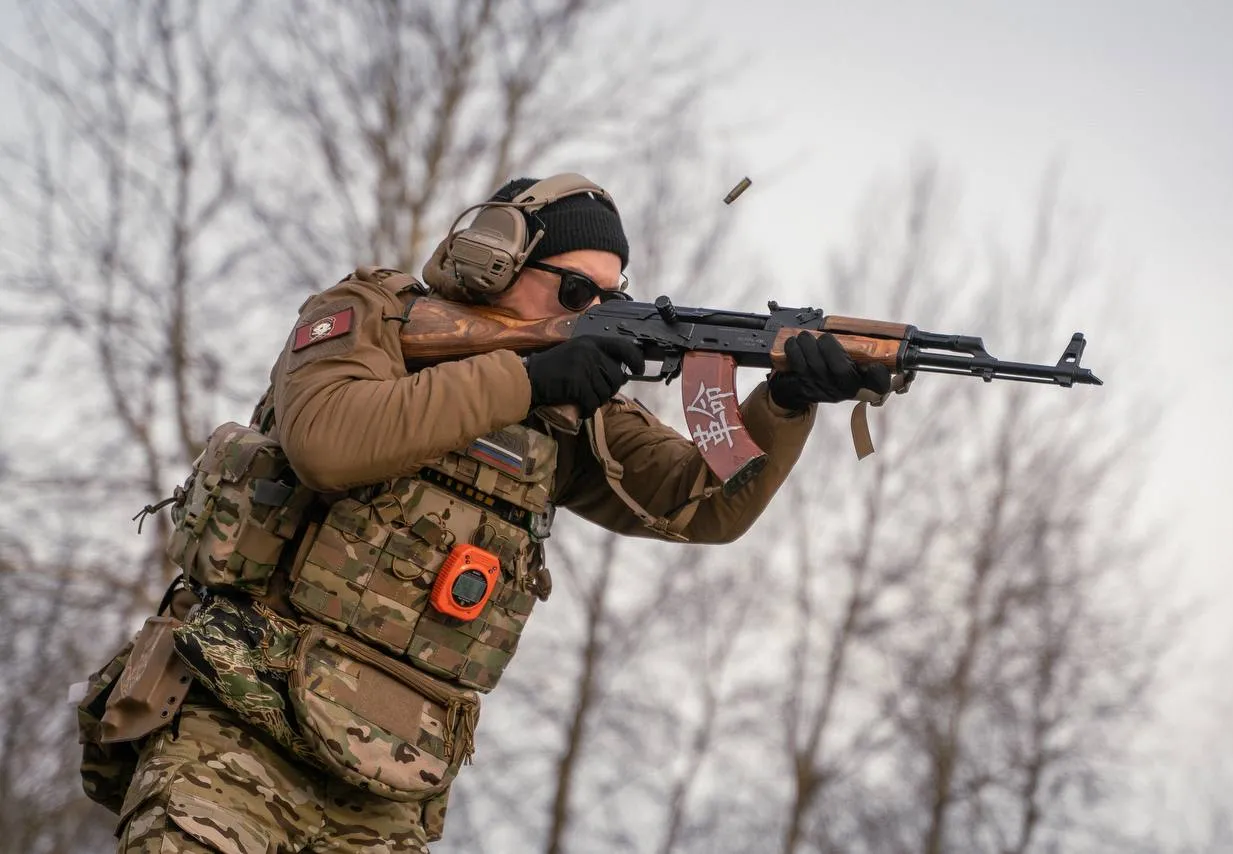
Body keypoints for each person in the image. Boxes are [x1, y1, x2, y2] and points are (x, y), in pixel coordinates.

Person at [100, 173, 892, 853]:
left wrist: (784, 401)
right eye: (575, 290)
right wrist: (527, 380)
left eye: (612, 298)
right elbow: (329, 442)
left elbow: (702, 504)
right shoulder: (374, 317)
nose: (594, 310)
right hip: (232, 728)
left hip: (386, 785)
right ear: (494, 257)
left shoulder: (572, 406)